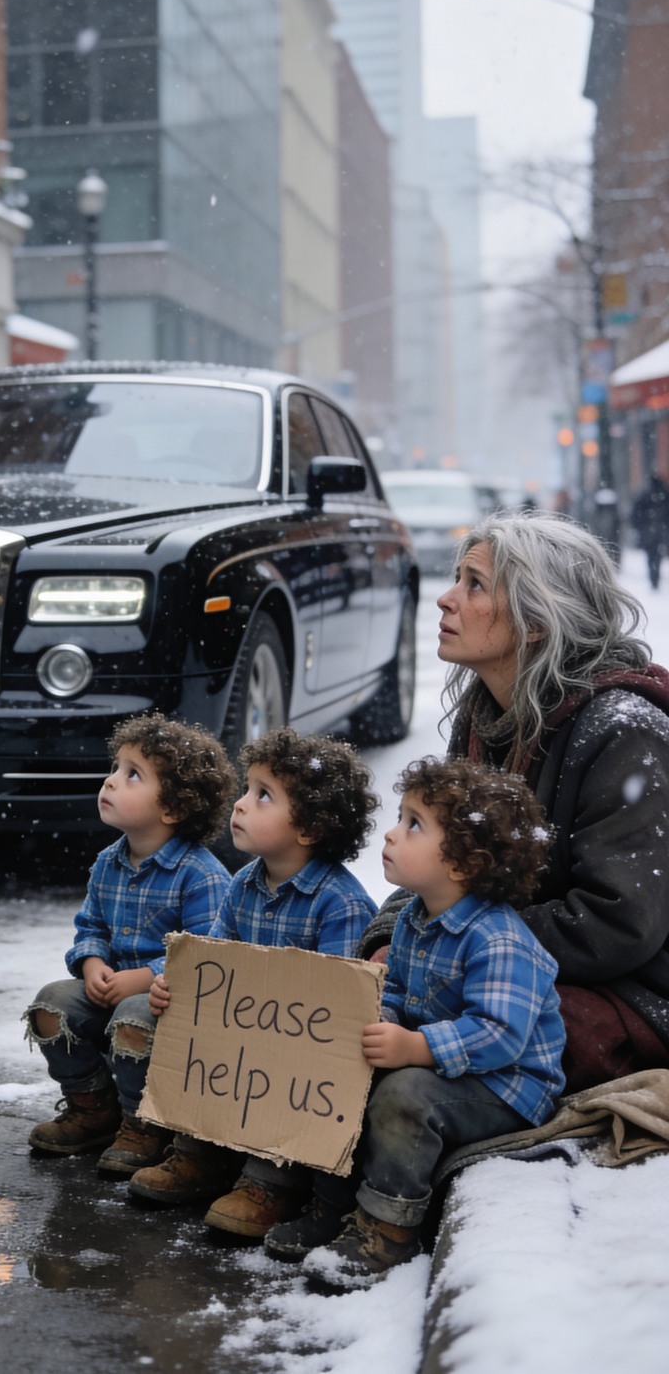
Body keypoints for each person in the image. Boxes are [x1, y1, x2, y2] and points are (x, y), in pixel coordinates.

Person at [359, 510, 669, 1094]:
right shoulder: (486, 715)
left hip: (626, 991)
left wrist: (459, 946)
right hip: (497, 959)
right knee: (355, 1003)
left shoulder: (623, 730)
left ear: (534, 620)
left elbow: (617, 923)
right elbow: (443, 860)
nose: (445, 600)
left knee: (469, 1044)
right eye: (456, 579)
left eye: (474, 584)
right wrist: (386, 940)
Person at [286, 757, 564, 1290]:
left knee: (406, 1097)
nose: (392, 833)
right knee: (346, 1070)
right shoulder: (415, 919)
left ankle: (389, 1228)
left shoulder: (498, 940)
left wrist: (414, 1046)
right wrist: (373, 1020)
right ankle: (334, 1203)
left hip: (506, 1085)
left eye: (414, 824)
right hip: (443, 1061)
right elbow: (397, 993)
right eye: (400, 817)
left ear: (462, 863)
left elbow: (499, 1035)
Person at [127, 729, 379, 1238]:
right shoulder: (243, 883)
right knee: (196, 1038)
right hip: (244, 1040)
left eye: (263, 795)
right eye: (247, 790)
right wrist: (176, 988)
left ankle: (271, 1182)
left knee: (283, 1072)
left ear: (309, 827)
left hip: (299, 1059)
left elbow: (338, 1005)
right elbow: (214, 964)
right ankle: (198, 1155)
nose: (241, 804)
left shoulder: (342, 904)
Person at [24, 714, 235, 1177]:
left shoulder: (201, 874)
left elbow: (209, 955)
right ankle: (94, 1109)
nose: (111, 781)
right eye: (116, 768)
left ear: (174, 809)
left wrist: (143, 978)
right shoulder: (108, 862)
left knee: (133, 1018)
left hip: (167, 1006)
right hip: (111, 990)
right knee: (51, 1004)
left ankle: (147, 1124)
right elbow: (90, 926)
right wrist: (93, 961)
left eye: (132, 775)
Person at [631, 474, 669, 589]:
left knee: (651, 557)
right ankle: (655, 577)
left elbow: (636, 515)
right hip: (661, 533)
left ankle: (653, 577)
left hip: (649, 533)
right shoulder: (665, 496)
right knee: (658, 556)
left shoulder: (646, 495)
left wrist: (640, 527)